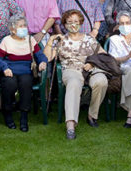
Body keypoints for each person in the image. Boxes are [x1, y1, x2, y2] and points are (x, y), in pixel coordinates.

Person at [44, 10, 108, 139]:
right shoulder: (61, 40)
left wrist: (92, 63)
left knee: (101, 81)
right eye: (69, 22)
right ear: (64, 24)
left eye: (76, 21)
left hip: (90, 68)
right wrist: (51, 40)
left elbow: (103, 55)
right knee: (73, 83)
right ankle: (70, 124)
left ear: (81, 23)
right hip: (71, 69)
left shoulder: (89, 38)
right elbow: (47, 58)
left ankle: (92, 115)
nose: (73, 24)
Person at [0, 14, 48, 131]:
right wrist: (4, 68)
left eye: (25, 26)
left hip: (26, 71)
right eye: (20, 26)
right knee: (9, 84)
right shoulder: (6, 41)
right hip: (9, 71)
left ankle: (24, 116)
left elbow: (40, 55)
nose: (24, 28)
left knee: (26, 82)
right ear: (12, 29)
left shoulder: (30, 40)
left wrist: (43, 62)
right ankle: (7, 113)